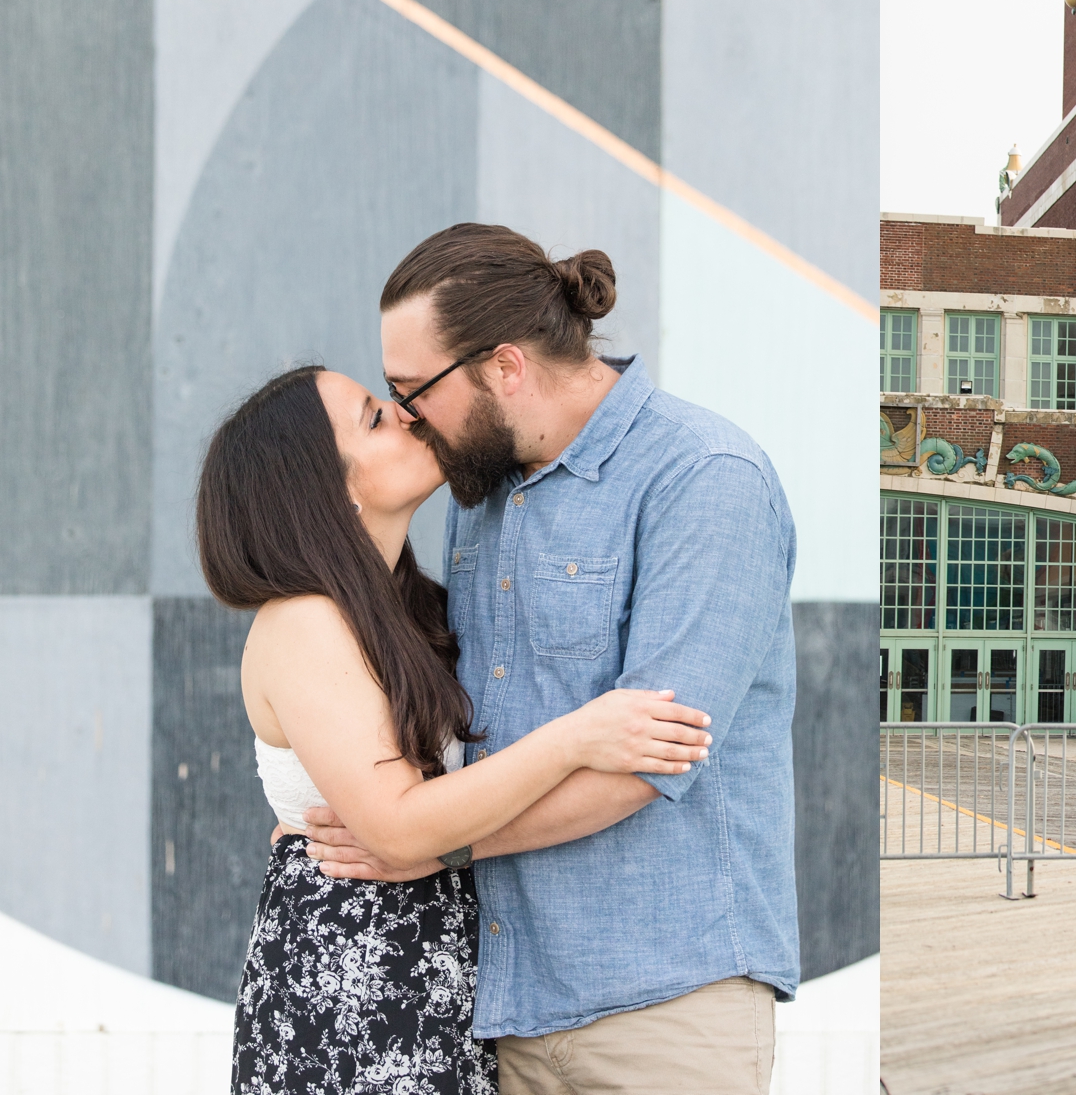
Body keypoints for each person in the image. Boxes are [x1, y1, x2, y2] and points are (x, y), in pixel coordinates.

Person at [303, 225, 800, 1095]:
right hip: (507, 1009)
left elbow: (647, 766)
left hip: (666, 1005)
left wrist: (427, 846)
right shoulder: (480, 496)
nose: (408, 415)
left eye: (411, 389)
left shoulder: (706, 478)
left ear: (504, 367)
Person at [199, 365, 713, 1095]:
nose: (408, 415)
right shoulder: (304, 621)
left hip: (432, 976)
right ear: (324, 487)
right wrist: (577, 738)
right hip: (356, 991)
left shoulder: (409, 611)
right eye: (375, 418)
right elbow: (400, 831)